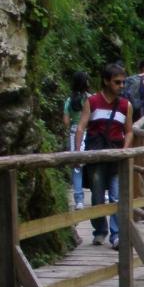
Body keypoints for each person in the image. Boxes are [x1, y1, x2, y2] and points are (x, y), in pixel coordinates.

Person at [73, 63, 133, 249]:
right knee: (98, 197)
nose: (121, 86)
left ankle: (117, 235)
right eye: (117, 82)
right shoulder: (92, 101)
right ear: (106, 81)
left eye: (123, 82)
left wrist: (125, 150)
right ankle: (100, 230)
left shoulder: (125, 105)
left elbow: (129, 131)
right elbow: (81, 127)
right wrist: (77, 153)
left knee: (116, 196)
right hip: (95, 155)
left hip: (116, 156)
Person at [62, 70, 90, 208]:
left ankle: (79, 200)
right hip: (90, 132)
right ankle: (101, 193)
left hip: (74, 132)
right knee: (93, 163)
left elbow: (66, 121)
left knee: (76, 167)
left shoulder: (69, 100)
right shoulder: (89, 99)